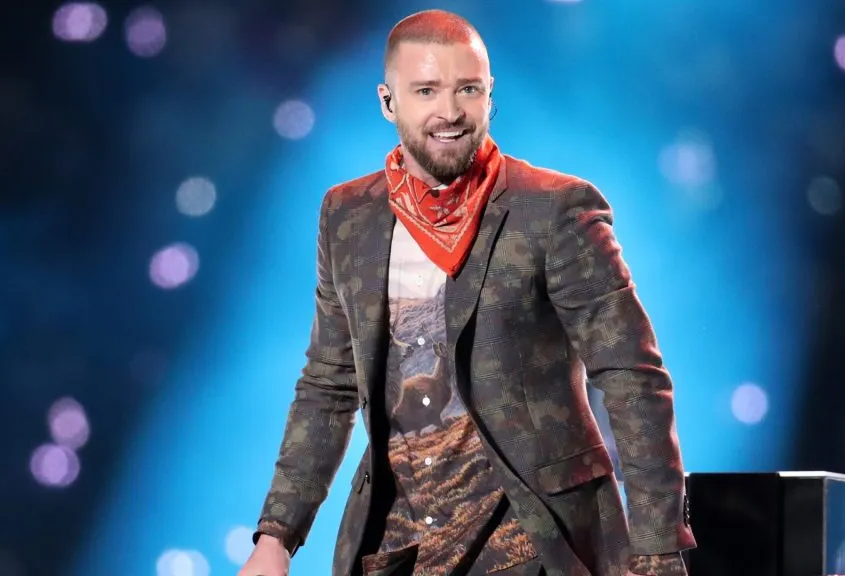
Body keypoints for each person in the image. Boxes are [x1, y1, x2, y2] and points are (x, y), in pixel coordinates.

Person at [239, 9, 695, 576]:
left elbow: (632, 377)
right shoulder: (348, 216)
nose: (450, 112)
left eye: (467, 90)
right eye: (426, 90)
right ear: (388, 102)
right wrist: (276, 537)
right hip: (396, 543)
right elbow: (329, 385)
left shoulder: (554, 209)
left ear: (488, 93)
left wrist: (655, 552)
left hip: (531, 541)